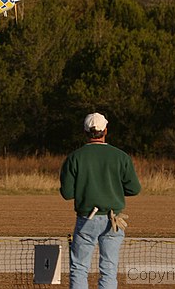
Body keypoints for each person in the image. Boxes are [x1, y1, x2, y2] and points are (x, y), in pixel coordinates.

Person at [59, 112, 141, 289]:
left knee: (79, 268)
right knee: (109, 269)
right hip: (114, 220)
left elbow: (66, 193)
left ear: (85, 131)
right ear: (105, 130)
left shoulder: (74, 157)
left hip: (86, 219)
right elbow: (134, 189)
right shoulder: (121, 157)